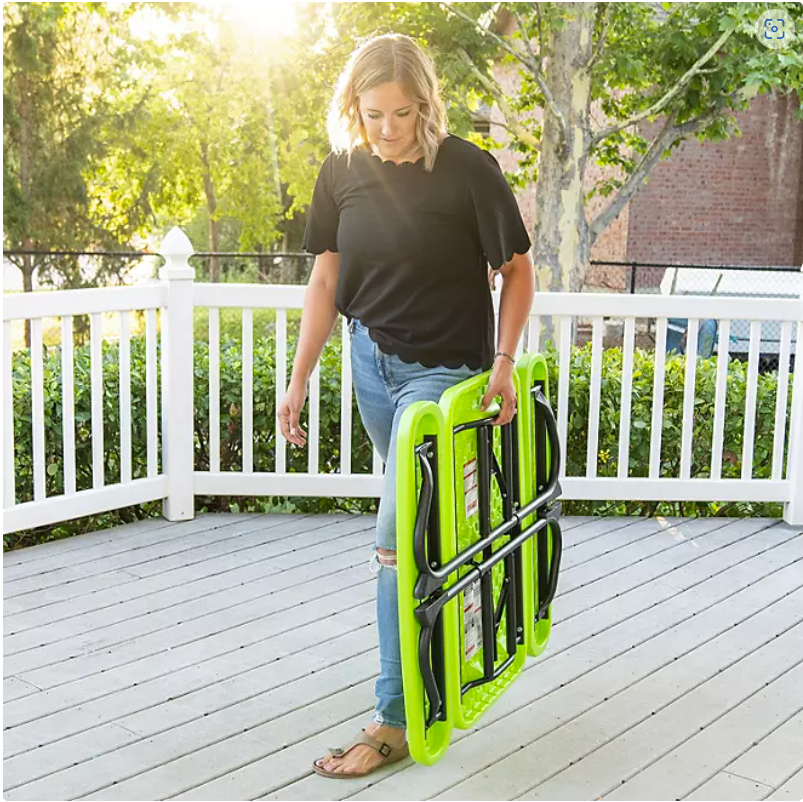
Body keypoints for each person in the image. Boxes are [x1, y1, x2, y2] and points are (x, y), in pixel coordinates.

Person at [277, 32, 535, 779]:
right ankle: (452, 633)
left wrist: (505, 362)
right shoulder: (342, 171)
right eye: (372, 113)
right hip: (371, 366)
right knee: (422, 535)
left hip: (442, 378)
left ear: (424, 105)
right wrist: (298, 380)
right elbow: (326, 282)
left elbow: (516, 273)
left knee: (394, 542)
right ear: (351, 107)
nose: (387, 129)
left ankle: (391, 718)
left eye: (401, 113)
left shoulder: (465, 169)